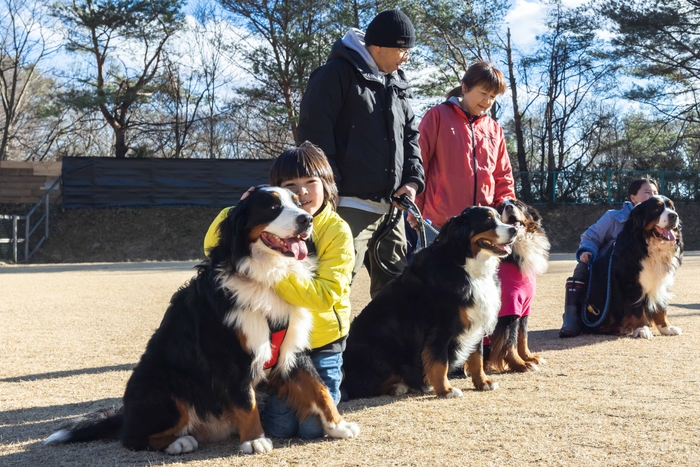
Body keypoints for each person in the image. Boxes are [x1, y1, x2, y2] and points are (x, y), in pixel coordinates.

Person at [203, 142, 354, 439]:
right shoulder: (274, 226)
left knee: (311, 430)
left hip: (322, 344)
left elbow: (324, 296)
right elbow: (213, 245)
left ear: (327, 185)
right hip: (278, 350)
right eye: (291, 186)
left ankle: (337, 383)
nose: (304, 192)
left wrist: (272, 274)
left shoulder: (337, 230)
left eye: (311, 182)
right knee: (280, 428)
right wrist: (239, 207)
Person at [296, 9, 425, 298]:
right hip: (347, 206)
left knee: (397, 296)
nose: (407, 57)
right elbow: (313, 136)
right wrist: (328, 190)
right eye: (403, 49)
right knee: (333, 288)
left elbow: (411, 137)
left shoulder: (398, 82)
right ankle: (325, 346)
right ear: (377, 46)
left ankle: (389, 346)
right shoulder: (333, 75)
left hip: (392, 210)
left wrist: (413, 181)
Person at [411, 61, 515, 242]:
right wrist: (415, 208)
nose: (487, 101)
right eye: (483, 93)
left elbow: (502, 176)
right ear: (465, 88)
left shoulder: (494, 129)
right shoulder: (437, 115)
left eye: (492, 96)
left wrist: (507, 207)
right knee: (436, 271)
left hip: (484, 228)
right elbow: (419, 164)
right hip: (439, 223)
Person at [559, 178, 660, 338]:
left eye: (655, 193)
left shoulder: (657, 221)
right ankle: (572, 317)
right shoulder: (613, 217)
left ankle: (645, 319)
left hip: (638, 270)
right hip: (606, 270)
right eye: (647, 192)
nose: (653, 196)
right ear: (633, 198)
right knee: (581, 269)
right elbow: (591, 237)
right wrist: (587, 251)